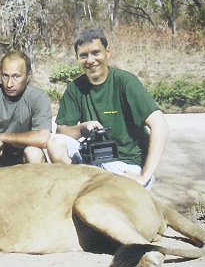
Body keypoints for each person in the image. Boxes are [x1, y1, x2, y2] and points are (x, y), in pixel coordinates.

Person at [47, 28, 169, 189]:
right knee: (55, 143)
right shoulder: (75, 88)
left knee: (119, 197)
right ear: (77, 58)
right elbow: (61, 131)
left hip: (126, 163)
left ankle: (137, 183)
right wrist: (82, 128)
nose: (90, 60)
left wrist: (144, 176)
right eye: (83, 55)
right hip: (92, 161)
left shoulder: (125, 82)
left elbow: (160, 125)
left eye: (95, 53)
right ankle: (76, 188)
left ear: (108, 52)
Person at [0, 51, 52, 167]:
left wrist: (3, 137)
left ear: (28, 75)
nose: (9, 84)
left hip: (24, 156)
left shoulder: (38, 97)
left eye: (16, 76)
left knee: (33, 153)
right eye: (5, 76)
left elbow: (43, 138)